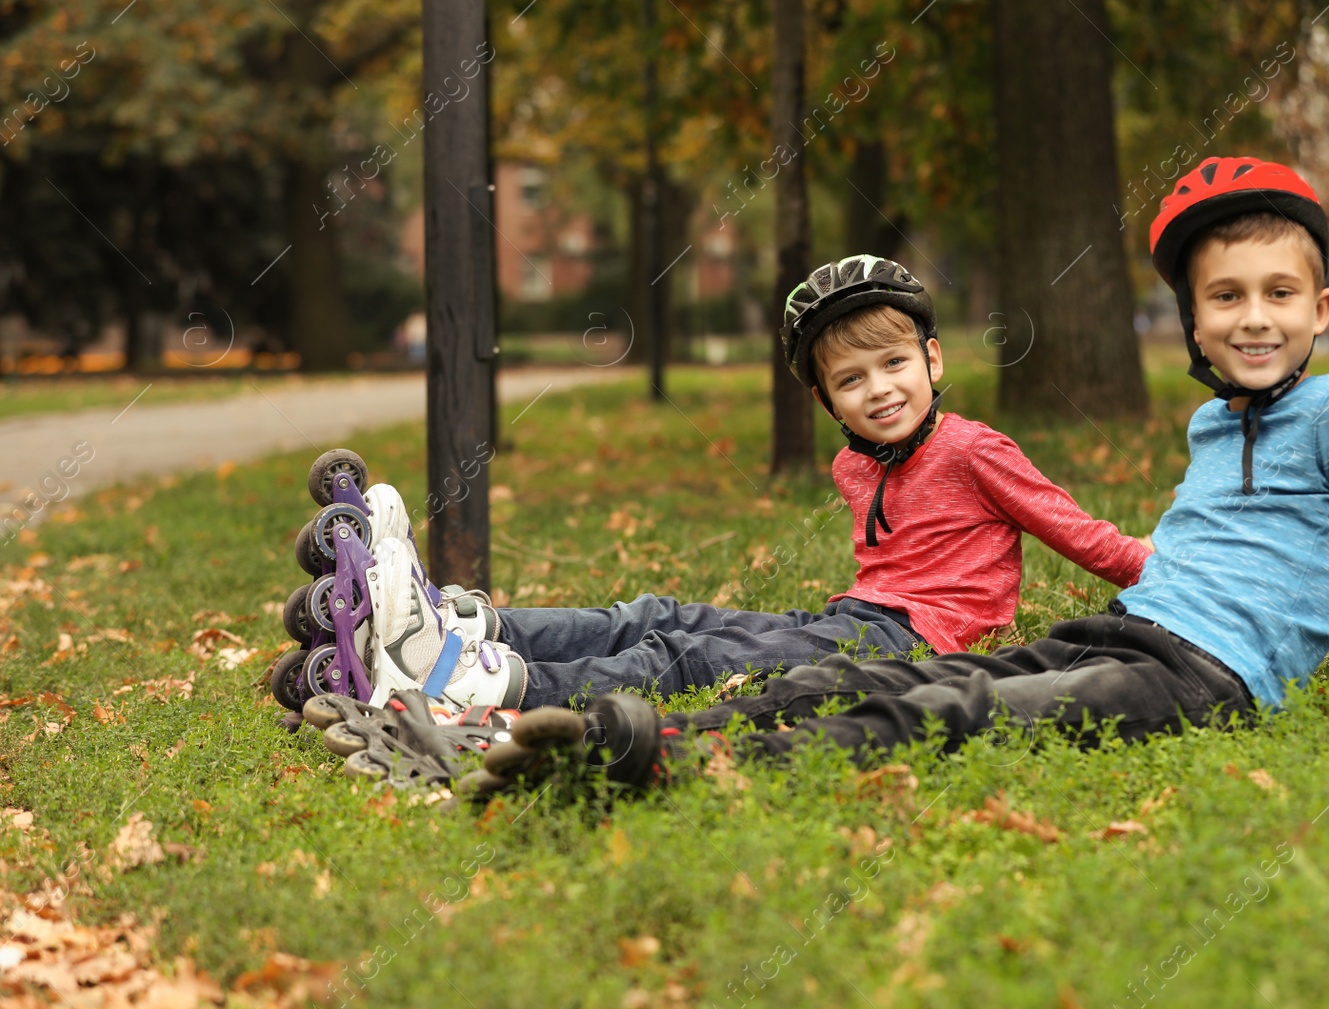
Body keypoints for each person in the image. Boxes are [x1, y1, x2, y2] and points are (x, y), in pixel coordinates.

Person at [464, 156, 1329, 797]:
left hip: (1202, 681)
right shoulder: (1211, 423)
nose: (1252, 316)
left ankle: (668, 766)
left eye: (1278, 293)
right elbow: (1298, 566)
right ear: (1192, 320)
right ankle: (602, 728)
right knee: (888, 676)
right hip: (1131, 624)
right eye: (1227, 295)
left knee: (955, 711)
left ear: (1320, 309)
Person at [285, 254, 1154, 725]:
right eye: (852, 380)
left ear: (933, 358)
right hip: (858, 619)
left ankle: (487, 682)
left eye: (895, 364)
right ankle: (466, 625)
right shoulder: (856, 464)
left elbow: (1075, 531)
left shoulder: (976, 449)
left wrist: (1168, 573)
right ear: (824, 400)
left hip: (917, 649)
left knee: (692, 657)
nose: (880, 390)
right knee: (661, 614)